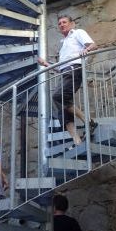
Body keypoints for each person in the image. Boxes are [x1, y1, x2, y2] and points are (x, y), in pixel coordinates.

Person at [38, 15, 96, 145]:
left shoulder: (77, 33)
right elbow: (60, 68)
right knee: (63, 108)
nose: (61, 25)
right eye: (59, 23)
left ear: (72, 24)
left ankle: (89, 122)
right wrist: (46, 64)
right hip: (65, 73)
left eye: (64, 22)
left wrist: (86, 50)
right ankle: (77, 140)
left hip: (74, 69)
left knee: (57, 97)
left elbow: (93, 45)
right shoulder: (64, 43)